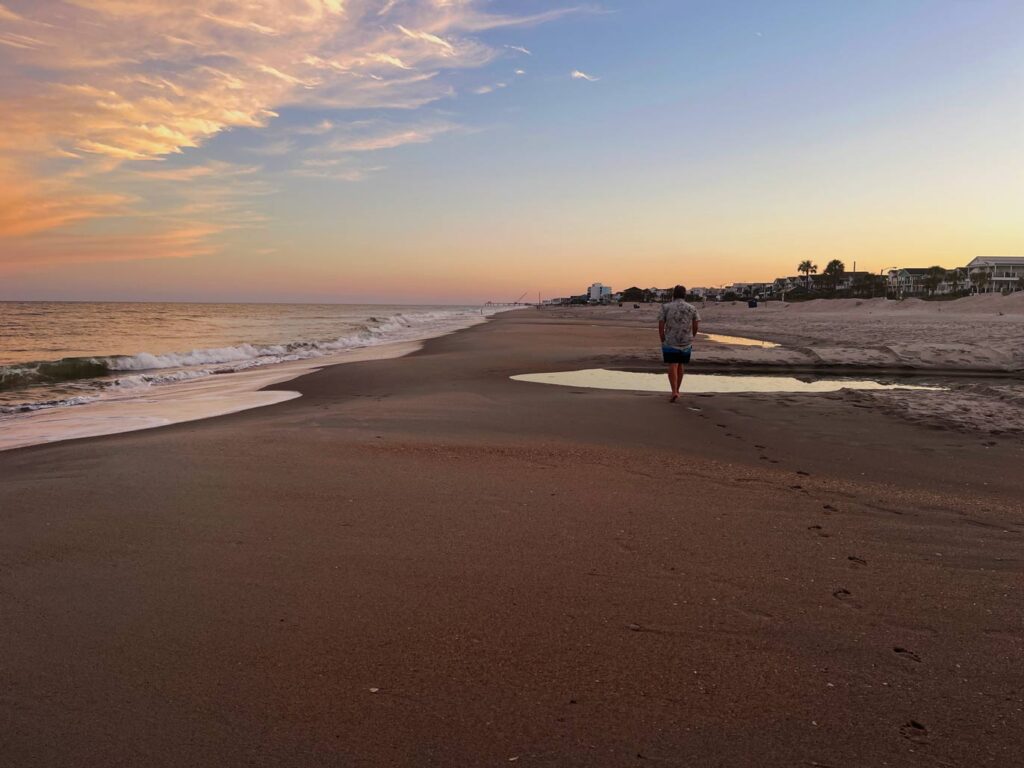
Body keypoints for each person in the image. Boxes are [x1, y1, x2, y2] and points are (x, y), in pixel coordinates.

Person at [658, 285, 700, 402]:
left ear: (673, 294)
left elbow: (661, 323)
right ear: (684, 294)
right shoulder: (692, 308)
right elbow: (696, 324)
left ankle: (674, 391)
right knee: (681, 364)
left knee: (673, 364)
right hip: (686, 340)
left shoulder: (665, 307)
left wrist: (662, 337)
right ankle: (678, 390)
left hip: (671, 339)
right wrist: (693, 336)